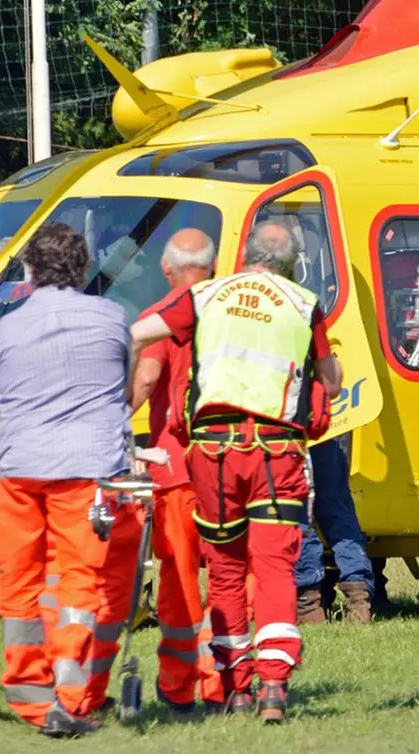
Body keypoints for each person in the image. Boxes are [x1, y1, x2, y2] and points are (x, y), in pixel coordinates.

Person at [131, 222, 342, 723]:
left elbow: (138, 334)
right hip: (277, 453)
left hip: (212, 453)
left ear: (244, 254)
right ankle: (273, 685)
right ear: (291, 263)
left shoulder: (205, 295)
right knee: (272, 569)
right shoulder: (301, 302)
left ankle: (235, 686)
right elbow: (330, 381)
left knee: (224, 570)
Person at [0, 221, 140, 738]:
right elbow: (124, 390)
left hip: (19, 471)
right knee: (81, 578)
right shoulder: (112, 319)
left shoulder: (5, 332)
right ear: (82, 268)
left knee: (20, 577)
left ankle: (28, 691)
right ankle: (71, 689)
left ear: (30, 270)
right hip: (88, 469)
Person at [130, 227, 224, 714]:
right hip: (228, 463)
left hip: (175, 468)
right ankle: (224, 680)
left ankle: (178, 682)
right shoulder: (232, 309)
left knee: (180, 577)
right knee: (232, 575)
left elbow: (146, 380)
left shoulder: (162, 316)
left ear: (166, 269)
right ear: (213, 265)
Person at [296, 435, 375, 624]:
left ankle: (307, 605)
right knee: (339, 513)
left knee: (299, 513)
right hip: (329, 429)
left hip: (290, 432)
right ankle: (359, 601)